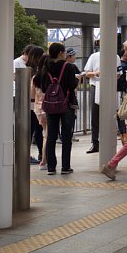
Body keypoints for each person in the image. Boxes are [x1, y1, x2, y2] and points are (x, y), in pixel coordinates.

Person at [38, 42, 79, 175]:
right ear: (61, 53)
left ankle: (51, 167)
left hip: (50, 104)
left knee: (51, 136)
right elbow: (72, 84)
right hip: (66, 104)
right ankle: (65, 167)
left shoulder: (46, 67)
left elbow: (44, 87)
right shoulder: (68, 67)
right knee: (66, 136)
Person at [82, 49, 122, 153]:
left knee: (110, 114)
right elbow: (87, 73)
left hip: (109, 86)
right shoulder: (94, 56)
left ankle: (109, 141)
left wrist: (110, 76)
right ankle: (95, 143)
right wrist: (96, 73)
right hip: (96, 86)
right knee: (95, 115)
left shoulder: (116, 56)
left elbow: (118, 74)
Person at [26, 46, 45, 165]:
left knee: (33, 129)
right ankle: (40, 154)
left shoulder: (31, 69)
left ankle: (39, 154)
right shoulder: (34, 71)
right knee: (36, 130)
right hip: (34, 103)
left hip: (31, 103)